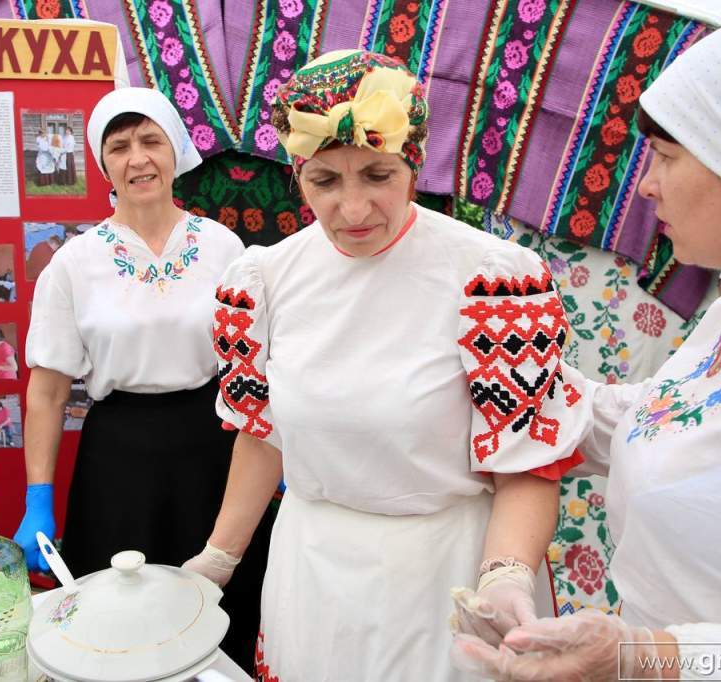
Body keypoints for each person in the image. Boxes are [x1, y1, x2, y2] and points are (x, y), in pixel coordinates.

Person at [449, 7, 721, 681]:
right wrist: (477, 359)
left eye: (664, 158)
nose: (646, 184)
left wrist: (644, 655)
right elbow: (648, 418)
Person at [181, 50, 587, 681]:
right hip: (312, 573)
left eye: (377, 175)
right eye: (324, 182)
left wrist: (507, 574)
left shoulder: (494, 281)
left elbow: (527, 461)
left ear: (414, 164)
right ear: (297, 174)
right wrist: (217, 559)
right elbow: (263, 438)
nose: (353, 210)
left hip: (445, 576)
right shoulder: (261, 282)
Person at [16, 87, 273, 671]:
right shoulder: (74, 262)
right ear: (103, 163)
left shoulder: (221, 246)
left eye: (151, 141)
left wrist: (271, 455)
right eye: (120, 146)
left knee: (226, 608)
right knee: (118, 620)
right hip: (119, 456)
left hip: (216, 447)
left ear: (175, 150)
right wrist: (39, 495)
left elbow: (249, 362)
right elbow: (49, 388)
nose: (138, 158)